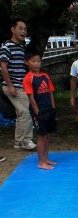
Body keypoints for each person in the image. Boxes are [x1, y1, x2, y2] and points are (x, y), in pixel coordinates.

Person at [0, 18, 36, 151]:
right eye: (20, 28)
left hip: (22, 85)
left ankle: (19, 142)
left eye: (25, 29)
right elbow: (3, 66)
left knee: (22, 113)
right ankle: (25, 140)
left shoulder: (21, 47)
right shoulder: (6, 46)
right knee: (24, 112)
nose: (23, 31)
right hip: (12, 85)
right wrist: (10, 86)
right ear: (12, 29)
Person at [22, 51, 56, 170]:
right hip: (39, 111)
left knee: (47, 135)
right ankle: (41, 162)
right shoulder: (28, 78)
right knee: (41, 136)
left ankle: (46, 158)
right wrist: (37, 113)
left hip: (48, 109)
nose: (36, 64)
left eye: (38, 61)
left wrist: (53, 108)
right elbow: (31, 97)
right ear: (27, 63)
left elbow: (50, 92)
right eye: (33, 61)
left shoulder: (45, 76)